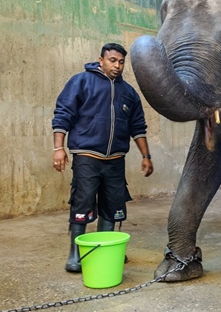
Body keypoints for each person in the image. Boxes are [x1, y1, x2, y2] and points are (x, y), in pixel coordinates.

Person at [52, 43, 154, 272]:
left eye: (121, 62)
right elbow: (62, 115)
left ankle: (104, 249)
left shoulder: (129, 93)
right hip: (87, 156)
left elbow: (138, 127)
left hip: (116, 160)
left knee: (112, 207)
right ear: (101, 60)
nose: (117, 66)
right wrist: (58, 148)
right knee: (82, 203)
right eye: (112, 60)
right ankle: (75, 255)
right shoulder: (81, 82)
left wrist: (146, 155)